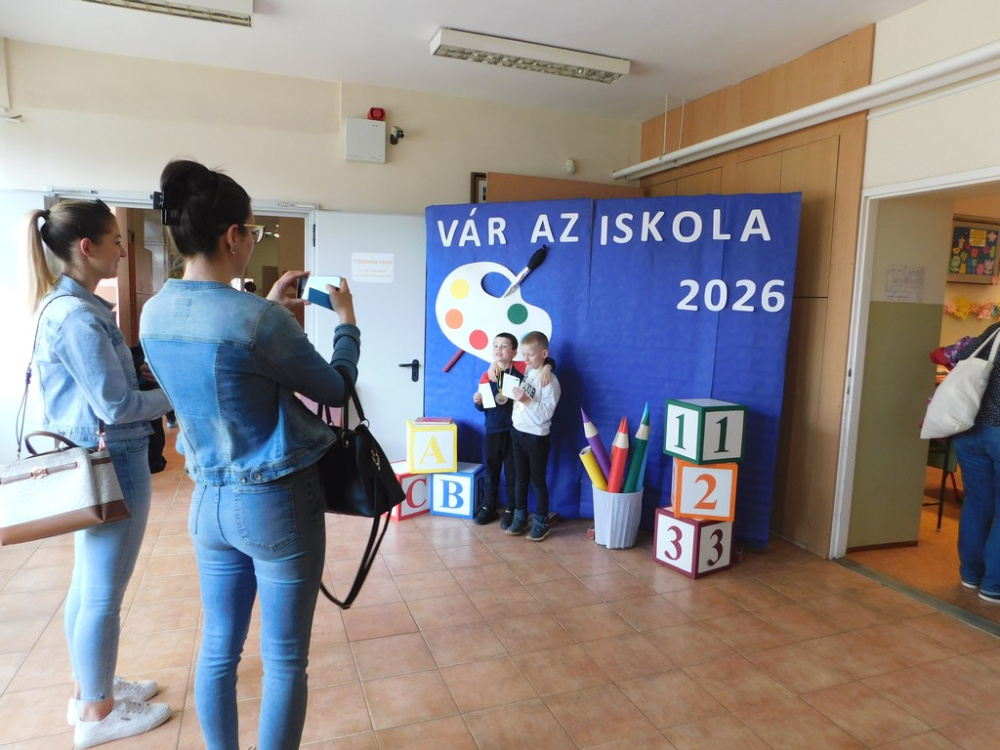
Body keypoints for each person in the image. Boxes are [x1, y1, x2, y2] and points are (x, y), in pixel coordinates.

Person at [139, 159, 360, 750]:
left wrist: (269, 307)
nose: (253, 240)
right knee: (284, 660)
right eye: (254, 231)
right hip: (275, 503)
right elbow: (335, 389)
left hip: (207, 501)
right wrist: (346, 324)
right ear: (233, 235)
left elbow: (224, 361)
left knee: (219, 650)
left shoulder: (155, 312)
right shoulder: (257, 319)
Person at [25, 199, 173, 748]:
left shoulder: (67, 307)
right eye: (115, 242)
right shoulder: (78, 317)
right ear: (86, 248)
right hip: (111, 460)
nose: (123, 251)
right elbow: (115, 405)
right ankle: (96, 714)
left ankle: (91, 688)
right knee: (103, 594)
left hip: (92, 457)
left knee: (87, 585)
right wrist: (175, 393)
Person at [472, 333, 552, 528]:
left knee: (513, 473)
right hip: (492, 430)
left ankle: (511, 509)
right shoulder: (487, 375)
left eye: (504, 346)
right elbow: (484, 406)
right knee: (491, 471)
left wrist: (548, 367)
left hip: (514, 431)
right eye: (495, 346)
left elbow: (545, 361)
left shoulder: (523, 368)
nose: (499, 350)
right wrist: (478, 402)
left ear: (514, 352)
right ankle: (489, 506)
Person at [952, 322, 1000, 603]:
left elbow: (960, 355)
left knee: (977, 504)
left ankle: (971, 575)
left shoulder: (995, 330)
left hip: (969, 429)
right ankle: (993, 585)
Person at [509, 331, 562, 541]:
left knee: (537, 480)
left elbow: (547, 413)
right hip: (518, 431)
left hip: (536, 436)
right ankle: (520, 516)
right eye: (523, 354)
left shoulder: (551, 381)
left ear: (544, 354)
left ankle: (541, 521)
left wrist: (526, 400)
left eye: (530, 355)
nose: (526, 359)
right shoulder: (529, 371)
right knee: (520, 478)